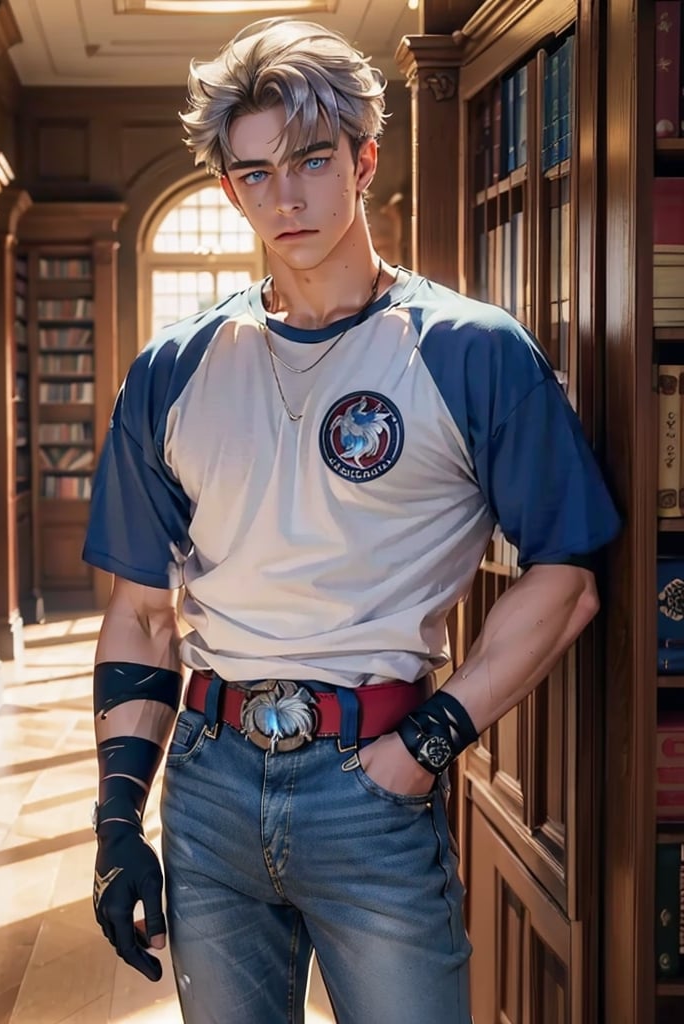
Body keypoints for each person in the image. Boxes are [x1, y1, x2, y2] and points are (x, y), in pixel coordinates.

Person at [83, 16, 620, 1024]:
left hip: (371, 783)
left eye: (312, 160)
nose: (283, 197)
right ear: (230, 186)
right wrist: (117, 821)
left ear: (365, 159)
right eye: (252, 174)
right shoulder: (172, 370)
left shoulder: (470, 352)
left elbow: (570, 575)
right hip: (205, 783)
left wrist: (427, 742)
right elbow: (145, 616)